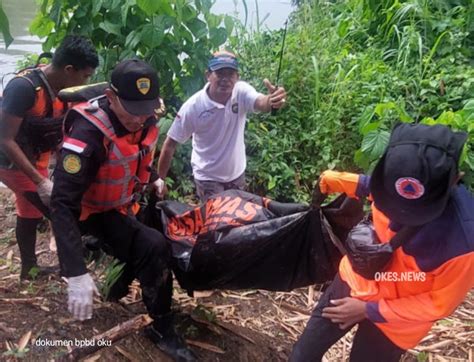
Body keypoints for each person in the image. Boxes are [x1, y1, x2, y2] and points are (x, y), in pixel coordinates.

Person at [50, 59, 196, 361]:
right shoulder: (87, 134)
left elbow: (138, 151)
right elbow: (62, 204)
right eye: (133, 111)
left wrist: (154, 178)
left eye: (147, 111)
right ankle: (161, 326)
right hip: (86, 211)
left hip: (120, 202)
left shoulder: (144, 115)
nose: (140, 120)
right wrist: (75, 273)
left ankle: (122, 291)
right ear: (112, 97)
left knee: (153, 237)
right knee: (153, 245)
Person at [290, 123, 473, 361]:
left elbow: (438, 303)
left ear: (454, 180)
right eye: (392, 202)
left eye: (415, 210)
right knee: (303, 355)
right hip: (356, 281)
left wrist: (368, 309)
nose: (400, 214)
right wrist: (330, 180)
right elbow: (367, 186)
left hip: (396, 320)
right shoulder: (388, 184)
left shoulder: (464, 244)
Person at [0, 35, 98, 279]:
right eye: (85, 76)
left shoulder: (64, 89)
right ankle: (73, 269)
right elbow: (4, 139)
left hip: (37, 156)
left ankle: (29, 269)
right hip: (10, 161)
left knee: (29, 211)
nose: (87, 81)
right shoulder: (23, 89)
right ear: (68, 69)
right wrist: (40, 181)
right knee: (58, 209)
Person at [156, 50, 287, 202]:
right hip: (208, 179)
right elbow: (170, 143)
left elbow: (261, 103)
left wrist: (272, 100)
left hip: (237, 174)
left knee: (239, 219)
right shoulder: (193, 107)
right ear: (208, 75)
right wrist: (160, 180)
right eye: (219, 73)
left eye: (230, 74)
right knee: (217, 223)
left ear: (237, 77)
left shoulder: (241, 92)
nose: (225, 79)